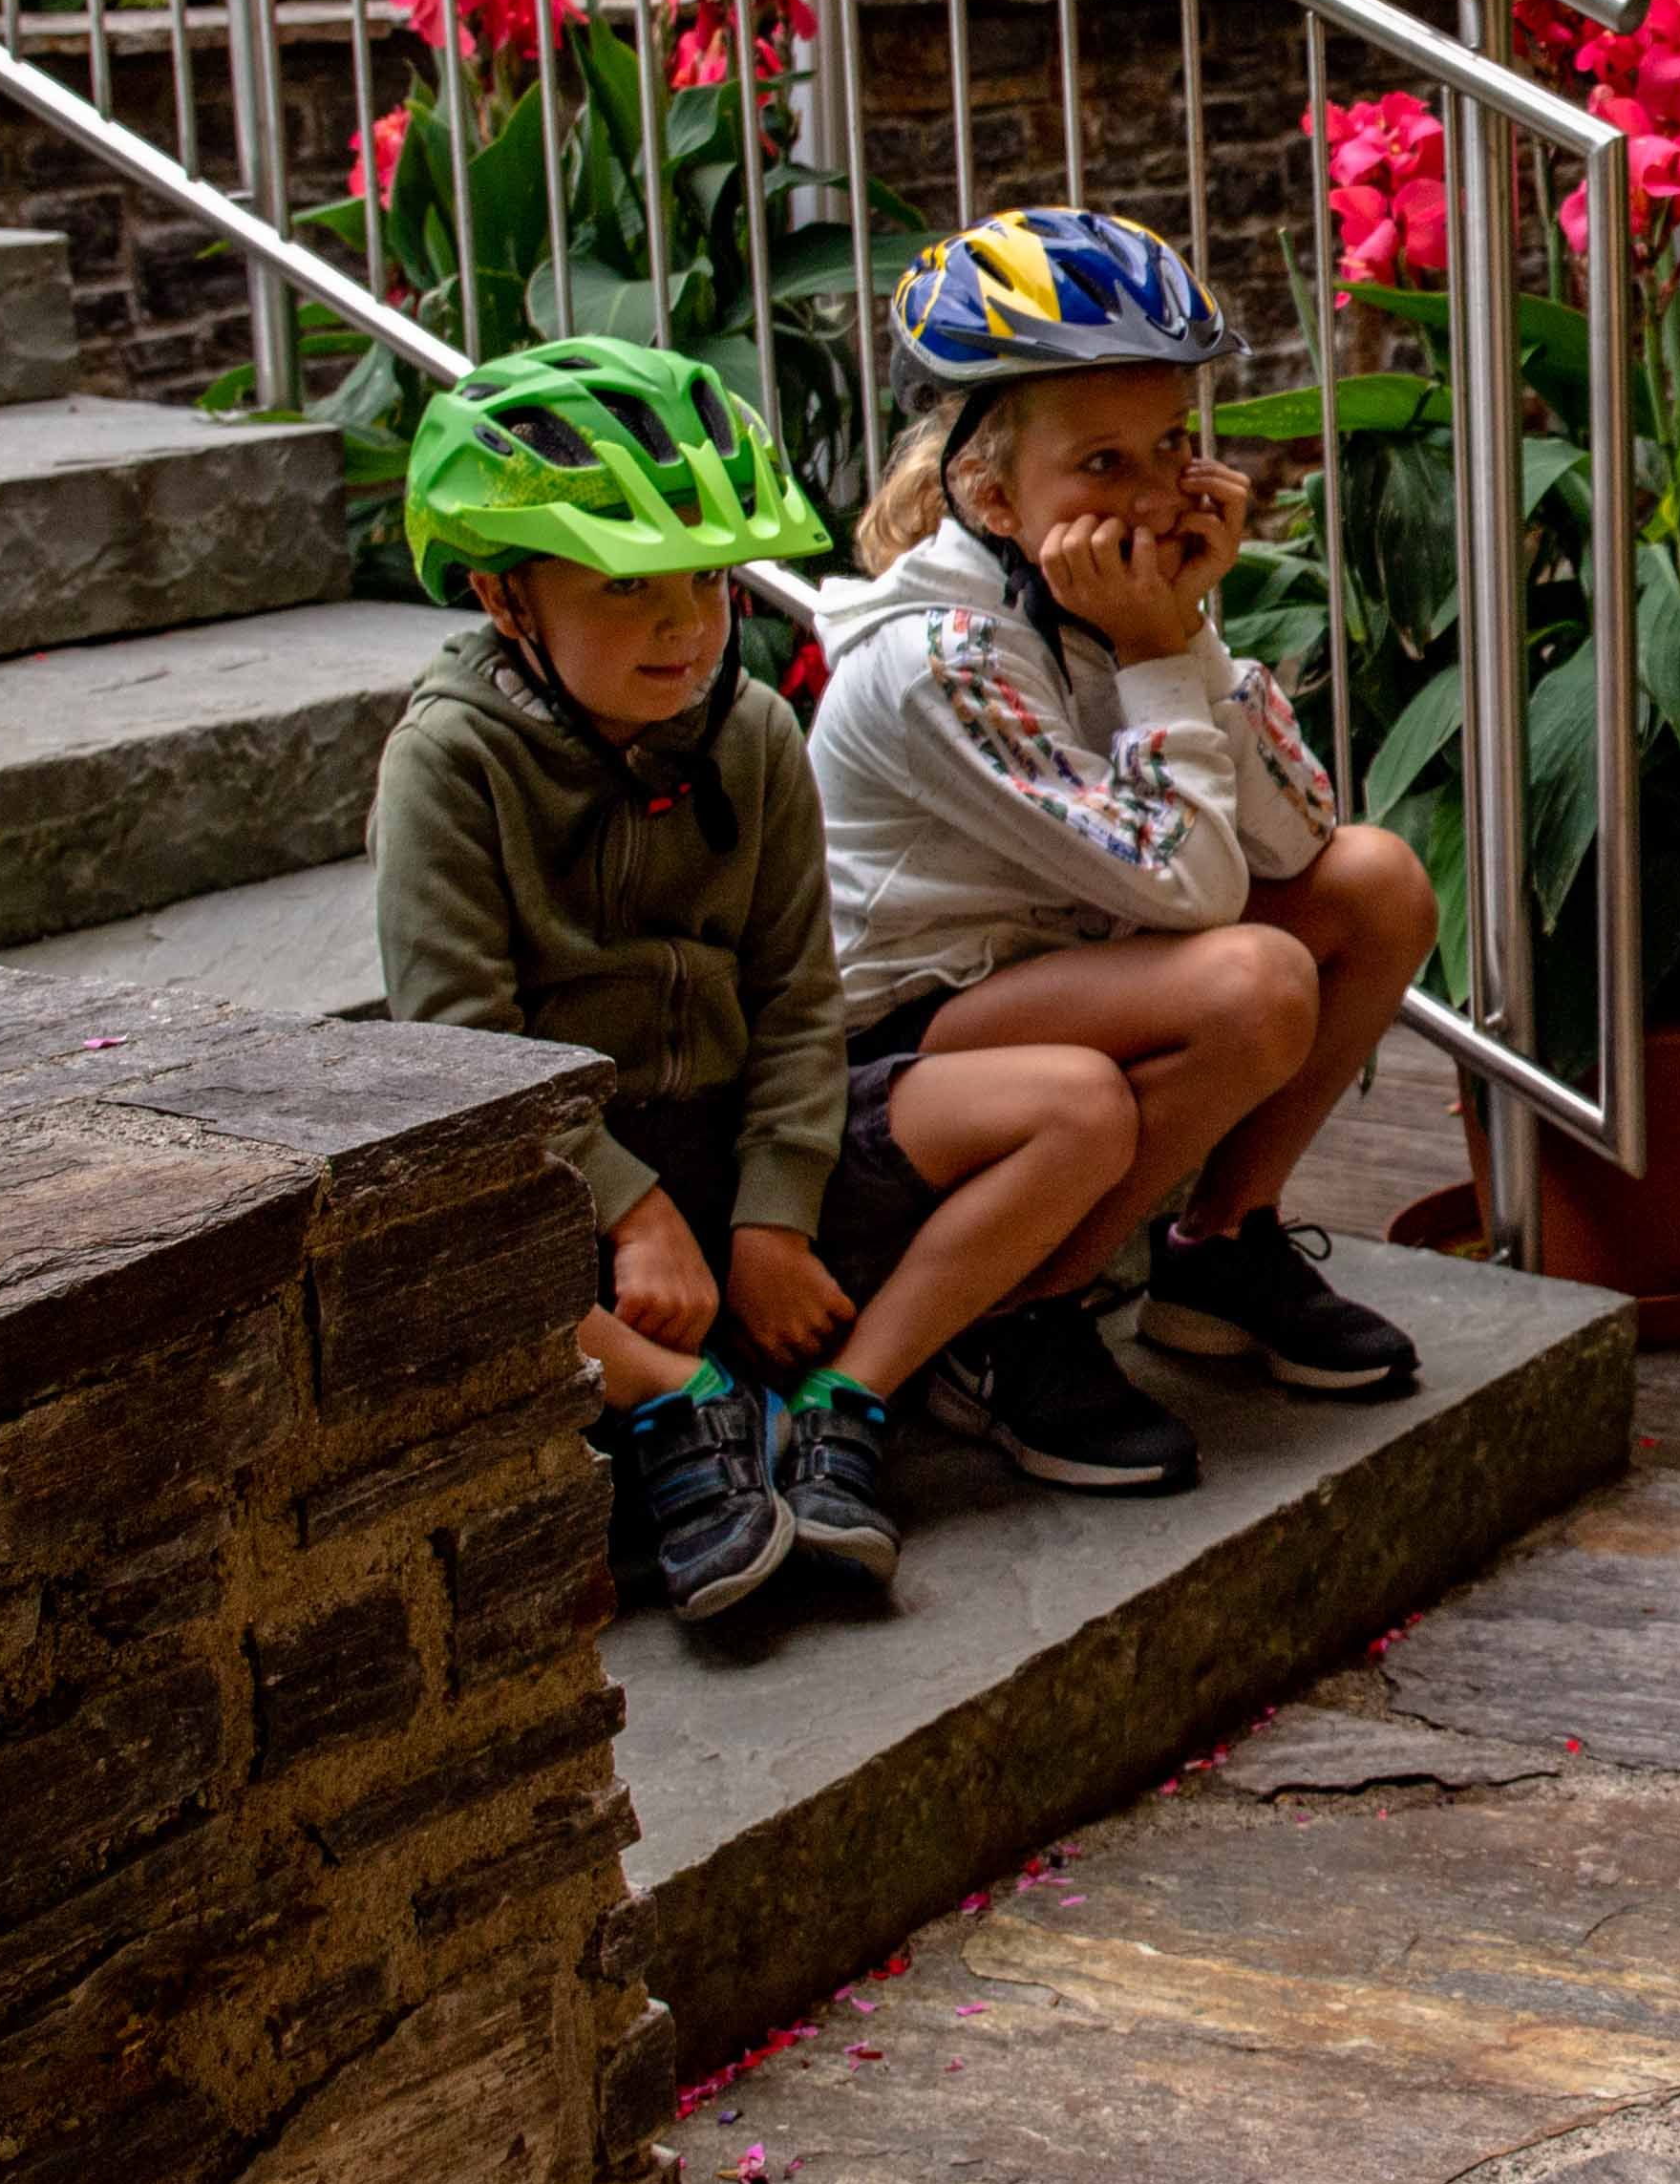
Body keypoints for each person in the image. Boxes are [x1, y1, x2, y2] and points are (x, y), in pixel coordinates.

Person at [371, 337, 1180, 1623]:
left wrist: (770, 1218)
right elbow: (467, 1053)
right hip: (567, 1183)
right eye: (625, 585)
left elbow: (802, 1001)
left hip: (754, 1141)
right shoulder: (449, 761)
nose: (684, 625)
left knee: (1079, 1106)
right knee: (407, 1251)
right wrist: (633, 1217)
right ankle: (674, 1408)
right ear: (504, 599)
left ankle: (837, 1406)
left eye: (702, 581)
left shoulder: (749, 728)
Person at [805, 207, 1439, 1479]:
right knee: (1250, 981)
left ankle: (1216, 1250)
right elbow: (1200, 894)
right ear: (987, 489)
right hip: (899, 1062)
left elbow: (1296, 833)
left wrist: (1186, 634)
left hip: (1070, 975)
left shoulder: (1102, 597)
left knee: (1375, 882)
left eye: (1170, 444)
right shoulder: (937, 658)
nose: (1156, 492)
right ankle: (1005, 1324)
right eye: (1101, 465)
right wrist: (1160, 655)